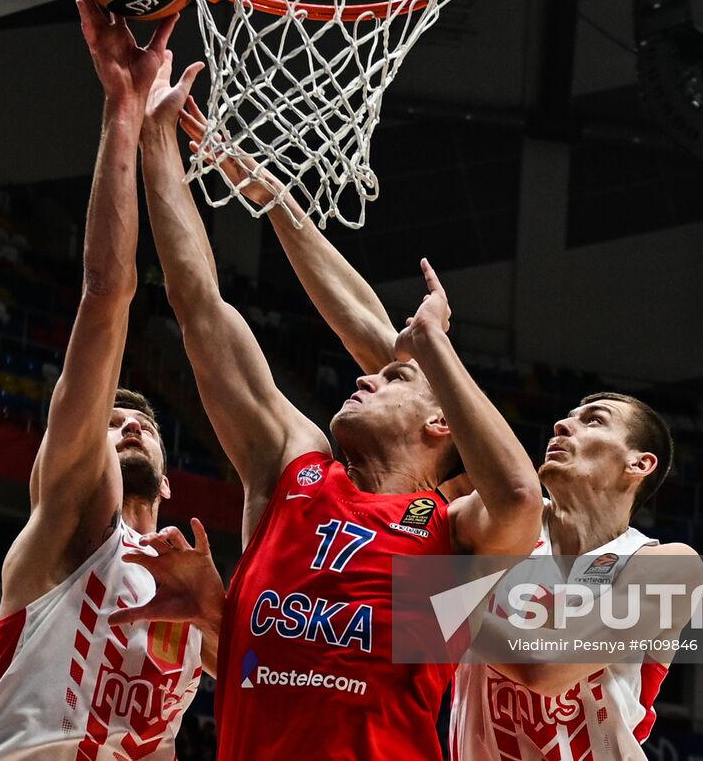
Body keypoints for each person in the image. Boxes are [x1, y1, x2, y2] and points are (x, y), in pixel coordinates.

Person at [148, 116, 695, 759]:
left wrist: (381, 598)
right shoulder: (476, 518)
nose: (563, 423)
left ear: (640, 462)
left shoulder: (662, 565)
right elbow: (389, 354)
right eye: (569, 414)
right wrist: (280, 205)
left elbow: (545, 667)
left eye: (594, 419)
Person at [130, 60, 543, 761]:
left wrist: (431, 346)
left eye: (392, 378)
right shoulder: (295, 468)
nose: (365, 378)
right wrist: (155, 141)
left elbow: (519, 492)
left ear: (441, 423)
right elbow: (198, 306)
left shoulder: (450, 542)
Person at [0, 2, 208, 761]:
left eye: (146, 423)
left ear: (169, 481)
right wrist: (125, 114)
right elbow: (108, 290)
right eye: (112, 420)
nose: (129, 424)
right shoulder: (73, 511)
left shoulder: (192, 584)